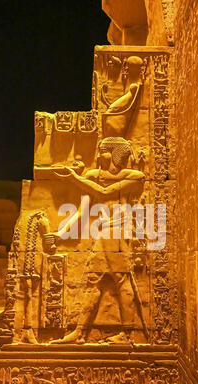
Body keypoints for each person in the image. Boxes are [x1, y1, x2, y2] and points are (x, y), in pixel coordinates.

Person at [44, 137, 148, 344]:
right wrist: (61, 232)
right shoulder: (92, 176)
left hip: (118, 233)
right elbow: (82, 211)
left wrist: (74, 178)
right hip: (103, 233)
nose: (99, 155)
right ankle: (81, 333)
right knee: (93, 281)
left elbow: (105, 191)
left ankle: (127, 334)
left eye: (104, 151)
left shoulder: (134, 176)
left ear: (116, 155)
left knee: (121, 279)